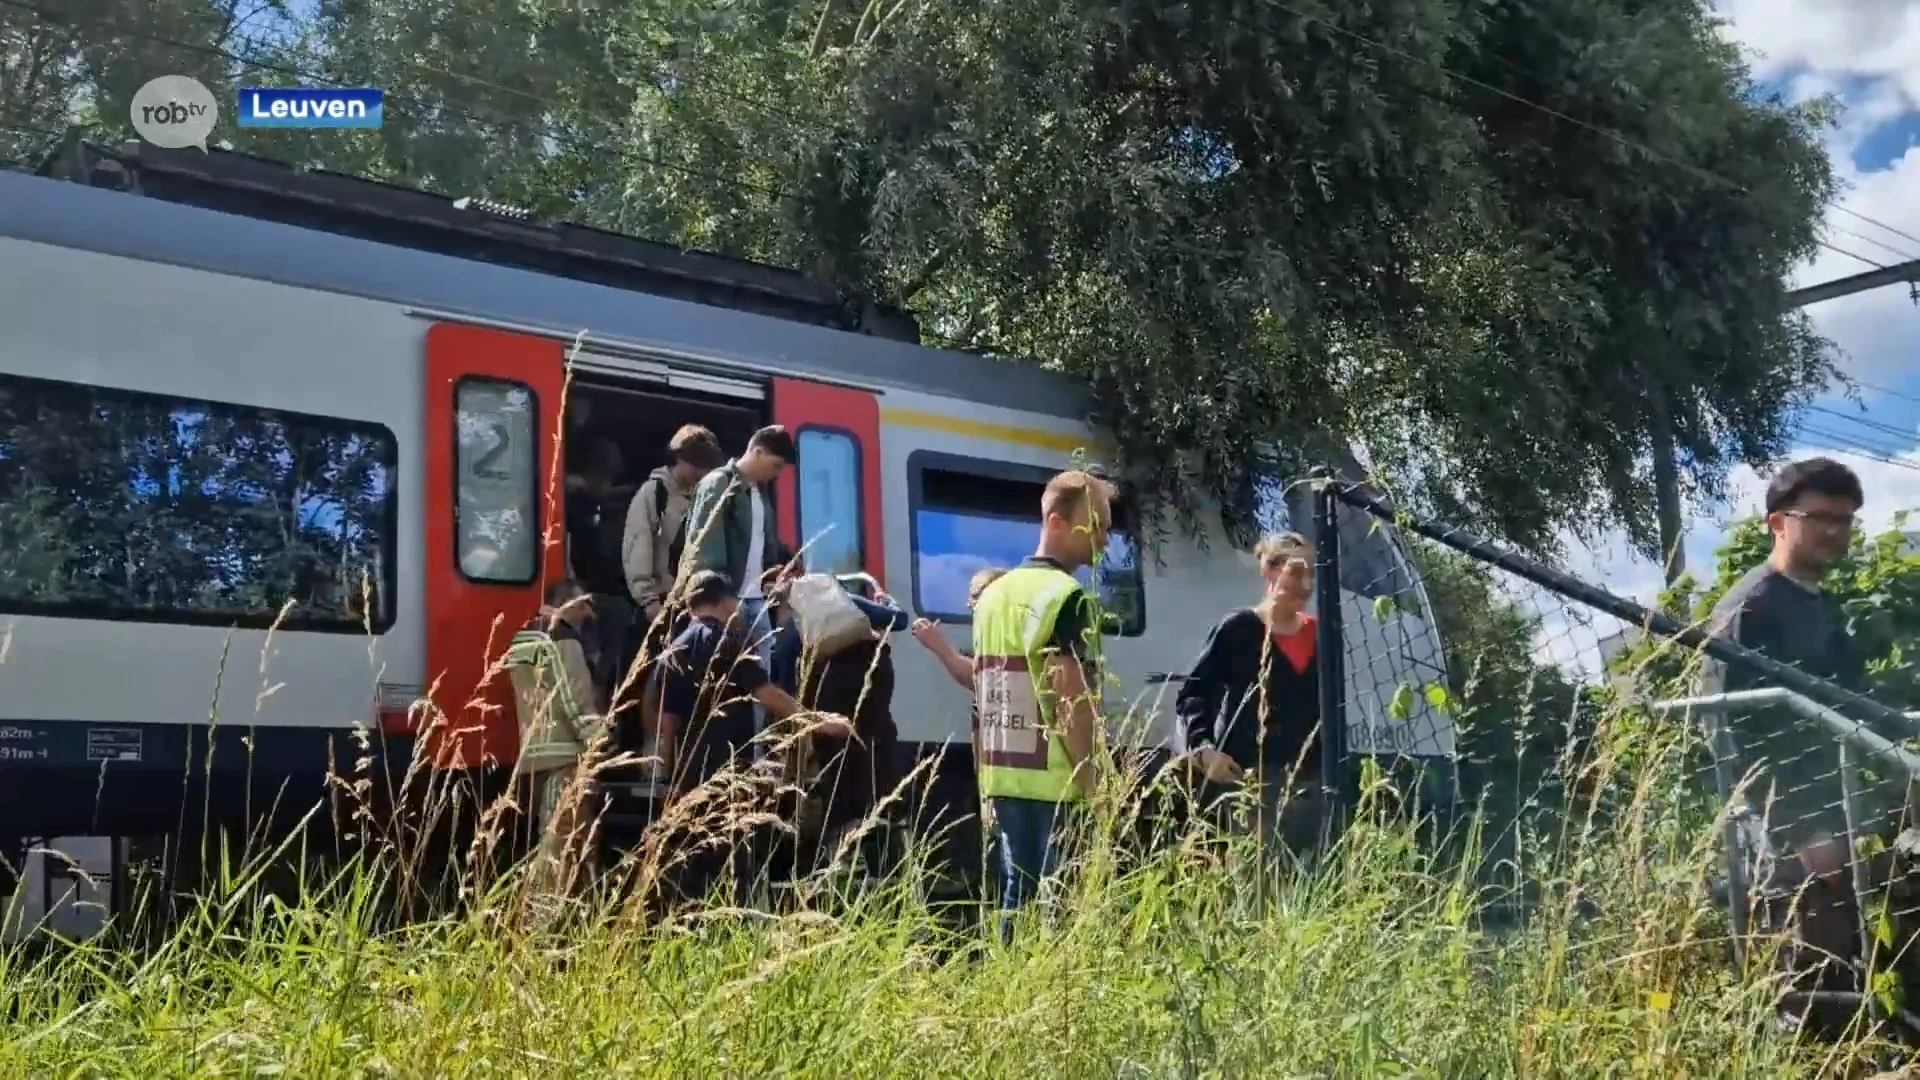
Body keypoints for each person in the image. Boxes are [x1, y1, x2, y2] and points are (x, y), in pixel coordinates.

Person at [653, 570, 850, 908]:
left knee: (691, 862)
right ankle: (730, 928)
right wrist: (821, 723)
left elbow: (665, 724)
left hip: (687, 777)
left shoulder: (673, 650)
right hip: (727, 771)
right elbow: (768, 694)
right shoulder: (726, 641)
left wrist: (666, 778)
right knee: (731, 863)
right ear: (723, 601)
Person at [970, 471, 1110, 943]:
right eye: (1095, 525)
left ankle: (1010, 997)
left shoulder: (992, 595)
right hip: (1057, 779)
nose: (1104, 539)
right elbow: (1068, 691)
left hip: (1004, 774)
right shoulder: (1067, 597)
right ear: (1055, 520)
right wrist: (1091, 780)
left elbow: (982, 684)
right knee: (1063, 911)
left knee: (1017, 899)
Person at [1175, 532, 1327, 862]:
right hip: (1248, 782)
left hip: (1311, 785)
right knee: (1252, 883)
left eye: (1311, 574)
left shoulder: (1323, 635)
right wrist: (1203, 749)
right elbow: (1195, 693)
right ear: (1269, 571)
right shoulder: (1238, 629)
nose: (1306, 585)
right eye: (1296, 573)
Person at [793, 573, 912, 883]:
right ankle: (872, 853)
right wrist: (885, 599)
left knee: (836, 772)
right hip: (867, 709)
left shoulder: (803, 622)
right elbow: (899, 619)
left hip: (826, 708)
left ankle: (838, 851)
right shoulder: (852, 606)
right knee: (872, 766)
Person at [503, 580, 612, 896]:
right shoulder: (563, 640)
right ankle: (543, 922)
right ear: (568, 603)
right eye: (583, 603)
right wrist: (600, 742)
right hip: (565, 755)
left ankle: (576, 908)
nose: (588, 612)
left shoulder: (523, 639)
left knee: (559, 835)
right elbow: (573, 699)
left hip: (534, 754)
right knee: (562, 841)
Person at [683, 425, 798, 661]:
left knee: (760, 675)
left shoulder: (759, 493)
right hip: (725, 600)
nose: (777, 474)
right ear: (758, 452)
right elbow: (705, 546)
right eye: (776, 465)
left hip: (755, 600)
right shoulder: (719, 484)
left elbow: (764, 542)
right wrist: (717, 598)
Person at [624, 424, 726, 627]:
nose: (702, 472)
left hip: (698, 606)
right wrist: (648, 600)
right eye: (697, 464)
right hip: (663, 604)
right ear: (679, 459)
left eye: (707, 466)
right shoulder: (654, 494)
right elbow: (638, 545)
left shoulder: (708, 497)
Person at [565, 437, 638, 704]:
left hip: (591, 591)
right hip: (586, 594)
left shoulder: (593, 504)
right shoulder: (574, 502)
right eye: (605, 478)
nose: (608, 486)